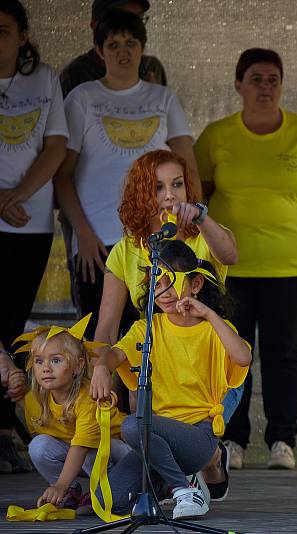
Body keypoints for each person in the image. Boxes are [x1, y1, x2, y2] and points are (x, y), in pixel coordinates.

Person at [194, 48, 297, 470]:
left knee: (283, 352)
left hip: (290, 265)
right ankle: (233, 441)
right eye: (256, 79)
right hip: (230, 266)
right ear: (238, 84)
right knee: (234, 352)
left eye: (273, 79)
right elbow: (199, 190)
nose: (265, 87)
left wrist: (287, 221)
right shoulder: (217, 135)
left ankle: (282, 442)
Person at [97, 148, 238, 500]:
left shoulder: (202, 233)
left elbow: (231, 255)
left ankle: (206, 459)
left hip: (210, 370)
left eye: (177, 184)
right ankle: (179, 476)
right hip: (161, 373)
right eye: (158, 187)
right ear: (142, 194)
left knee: (146, 428)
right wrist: (99, 369)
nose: (170, 195)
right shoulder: (126, 250)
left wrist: (202, 217)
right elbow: (107, 327)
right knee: (109, 500)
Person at [54, 9, 197, 341]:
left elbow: (188, 166)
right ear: (99, 50)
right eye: (113, 43)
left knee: (156, 339)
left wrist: (189, 227)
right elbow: (63, 176)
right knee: (99, 341)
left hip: (158, 240)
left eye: (131, 42)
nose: (123, 51)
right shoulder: (82, 98)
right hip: (99, 244)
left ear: (142, 48)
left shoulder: (164, 98)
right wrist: (84, 235)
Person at [90, 240, 251, 519]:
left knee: (132, 424)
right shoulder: (145, 328)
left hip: (197, 436)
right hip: (154, 437)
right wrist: (102, 367)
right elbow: (113, 356)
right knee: (107, 501)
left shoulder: (213, 329)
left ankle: (184, 488)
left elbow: (243, 358)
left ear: (195, 284)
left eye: (168, 280)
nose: (161, 290)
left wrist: (208, 314)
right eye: (154, 281)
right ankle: (168, 482)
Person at [0, 0, 68, 474]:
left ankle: (5, 433)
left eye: (3, 30)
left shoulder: (44, 78)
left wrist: (17, 195)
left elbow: (57, 146)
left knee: (11, 324)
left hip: (30, 221)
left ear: (23, 35)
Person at [0, 317, 128, 510]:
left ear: (78, 366)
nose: (46, 368)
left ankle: (112, 495)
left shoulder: (88, 398)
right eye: (39, 361)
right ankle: (71, 493)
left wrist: (59, 484)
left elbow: (81, 448)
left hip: (121, 455)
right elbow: (38, 422)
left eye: (56, 360)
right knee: (38, 446)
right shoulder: (35, 398)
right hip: (85, 455)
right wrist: (18, 390)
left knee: (90, 452)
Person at [60, 0, 166, 98]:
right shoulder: (75, 75)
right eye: (122, 20)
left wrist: (157, 98)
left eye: (139, 18)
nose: (133, 28)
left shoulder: (151, 67)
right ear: (96, 25)